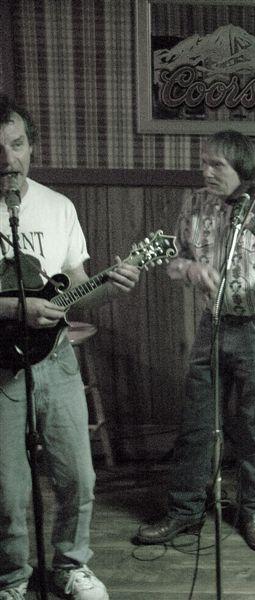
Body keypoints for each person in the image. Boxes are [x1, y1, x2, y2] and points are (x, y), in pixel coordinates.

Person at [0, 95, 141, 599]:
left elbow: (76, 288)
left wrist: (111, 285)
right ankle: (12, 577)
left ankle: (70, 565)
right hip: (1, 369)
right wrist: (14, 310)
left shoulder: (58, 207)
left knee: (79, 477)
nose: (8, 158)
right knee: (8, 491)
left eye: (17, 144)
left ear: (31, 147)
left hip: (57, 359)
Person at [134, 131, 255, 552]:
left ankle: (253, 510)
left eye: (216, 165)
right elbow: (174, 261)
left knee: (254, 426)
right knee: (197, 422)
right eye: (203, 162)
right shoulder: (195, 203)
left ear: (240, 166)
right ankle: (184, 510)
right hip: (215, 322)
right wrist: (190, 269)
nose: (206, 171)